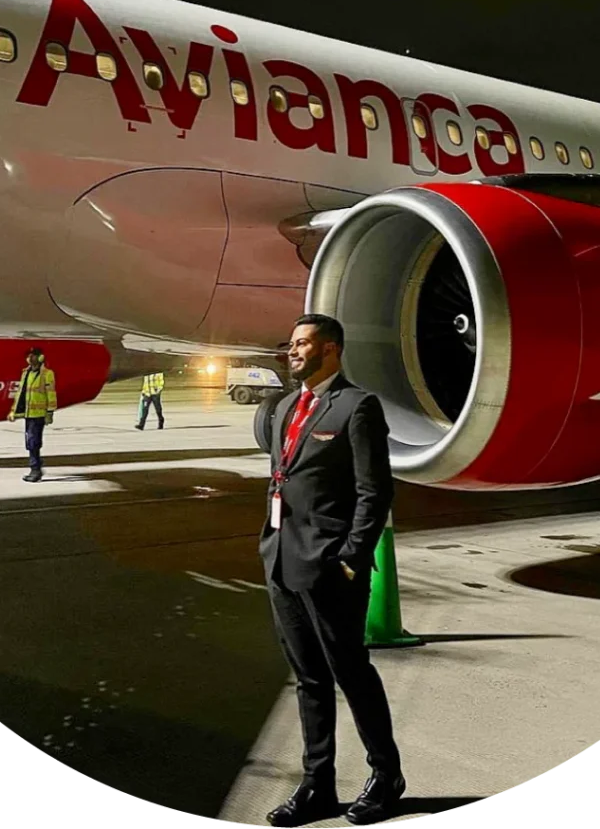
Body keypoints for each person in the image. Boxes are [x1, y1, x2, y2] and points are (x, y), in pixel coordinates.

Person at [259, 314, 404, 827]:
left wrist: (350, 559)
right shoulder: (285, 408)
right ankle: (317, 784)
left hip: (328, 567)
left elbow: (375, 491)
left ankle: (386, 776)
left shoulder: (356, 407)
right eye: (291, 343)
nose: (293, 351)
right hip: (282, 561)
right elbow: (280, 475)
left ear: (331, 349)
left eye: (303, 343)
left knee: (351, 673)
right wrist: (270, 545)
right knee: (309, 679)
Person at [7, 347, 57, 482]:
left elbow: (51, 394)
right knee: (30, 442)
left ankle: (35, 470)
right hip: (29, 413)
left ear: (40, 357)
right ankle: (37, 465)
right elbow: (21, 394)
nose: (29, 358)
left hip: (39, 414)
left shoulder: (47, 374)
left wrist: (50, 412)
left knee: (33, 442)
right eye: (28, 356)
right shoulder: (26, 373)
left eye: (33, 356)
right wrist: (14, 411)